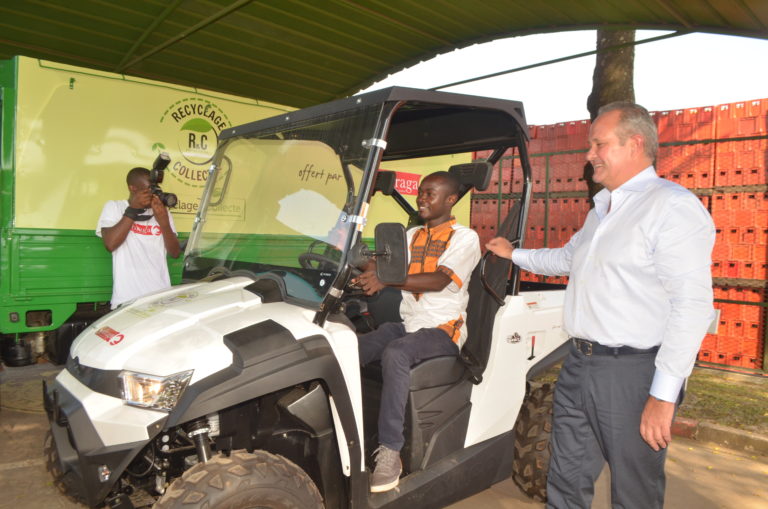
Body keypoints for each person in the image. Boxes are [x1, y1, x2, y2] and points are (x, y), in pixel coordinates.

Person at [487, 102, 715, 508]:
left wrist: (663, 396)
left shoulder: (671, 206)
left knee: (633, 490)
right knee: (565, 478)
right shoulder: (603, 210)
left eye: (599, 144)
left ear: (635, 144)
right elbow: (566, 259)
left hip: (633, 372)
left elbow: (692, 305)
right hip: (579, 363)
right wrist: (513, 254)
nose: (589, 153)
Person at [354, 171, 481, 493]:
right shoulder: (411, 235)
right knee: (348, 347)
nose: (421, 198)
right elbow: (384, 268)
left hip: (443, 329)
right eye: (421, 192)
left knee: (396, 353)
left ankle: (390, 452)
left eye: (430, 193)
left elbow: (439, 280)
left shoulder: (464, 238)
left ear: (450, 200)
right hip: (409, 324)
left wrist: (385, 279)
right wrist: (356, 257)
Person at [97, 167, 181, 309]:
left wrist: (164, 222)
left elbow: (175, 253)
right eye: (149, 189)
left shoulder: (161, 212)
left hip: (160, 297)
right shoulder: (115, 207)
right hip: (127, 299)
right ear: (133, 188)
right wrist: (133, 209)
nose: (153, 194)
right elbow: (110, 244)